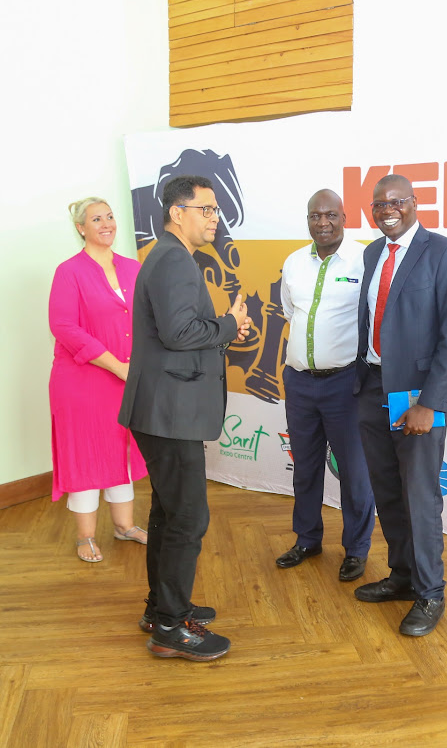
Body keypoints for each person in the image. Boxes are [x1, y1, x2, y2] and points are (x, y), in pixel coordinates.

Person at [119, 175, 250, 662]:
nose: (216, 218)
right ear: (178, 213)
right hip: (168, 412)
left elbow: (179, 331)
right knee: (188, 517)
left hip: (161, 409)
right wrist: (229, 325)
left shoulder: (168, 257)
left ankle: (161, 608)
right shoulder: (173, 260)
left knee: (169, 512)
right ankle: (172, 628)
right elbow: (179, 332)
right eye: (208, 209)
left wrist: (222, 328)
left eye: (217, 211)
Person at [353, 174, 447, 637]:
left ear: (414, 203)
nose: (388, 209)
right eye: (379, 203)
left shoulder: (443, 253)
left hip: (417, 397)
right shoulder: (370, 253)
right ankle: (402, 576)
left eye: (397, 201)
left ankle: (430, 593)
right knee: (388, 491)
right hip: (372, 388)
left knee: (420, 496)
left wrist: (429, 403)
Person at [276, 190, 375, 581]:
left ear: (344, 217)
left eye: (330, 215)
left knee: (354, 471)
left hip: (346, 384)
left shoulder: (364, 259)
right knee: (306, 467)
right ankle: (307, 539)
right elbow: (290, 311)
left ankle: (356, 549)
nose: (322, 223)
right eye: (315, 216)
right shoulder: (294, 262)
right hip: (299, 382)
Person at [49, 198, 148, 563]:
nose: (106, 224)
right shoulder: (69, 271)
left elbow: (146, 318)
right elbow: (63, 326)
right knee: (86, 452)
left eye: (109, 217)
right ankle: (85, 536)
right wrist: (116, 365)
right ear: (81, 228)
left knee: (121, 447)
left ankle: (124, 526)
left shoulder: (132, 268)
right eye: (96, 219)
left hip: (125, 377)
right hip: (82, 381)